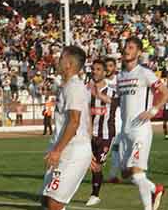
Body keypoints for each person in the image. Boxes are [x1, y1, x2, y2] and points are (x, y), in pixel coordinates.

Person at [116, 37, 168, 210]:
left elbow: (166, 93)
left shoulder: (145, 73)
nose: (126, 50)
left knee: (137, 173)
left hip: (140, 130)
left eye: (130, 47)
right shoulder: (120, 76)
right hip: (125, 130)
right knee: (126, 173)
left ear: (138, 52)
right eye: (125, 47)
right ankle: (155, 189)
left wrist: (154, 110)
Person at [41, 46, 91, 210]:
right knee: (47, 200)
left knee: (54, 203)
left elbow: (74, 122)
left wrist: (57, 151)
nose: (58, 61)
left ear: (69, 63)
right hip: (64, 149)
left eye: (61, 58)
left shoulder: (74, 87)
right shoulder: (67, 86)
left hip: (72, 151)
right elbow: (85, 120)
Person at [86, 59, 117, 207]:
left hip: (106, 135)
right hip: (89, 135)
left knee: (97, 165)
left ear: (105, 73)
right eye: (93, 69)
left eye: (98, 69)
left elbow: (116, 103)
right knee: (87, 164)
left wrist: (97, 94)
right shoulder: (86, 91)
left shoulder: (112, 91)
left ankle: (95, 195)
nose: (94, 72)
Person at [105, 57, 122, 184]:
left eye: (111, 66)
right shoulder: (100, 81)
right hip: (105, 116)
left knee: (117, 146)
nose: (108, 69)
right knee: (105, 146)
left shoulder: (120, 80)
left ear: (115, 67)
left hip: (119, 115)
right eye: (106, 66)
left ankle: (113, 174)